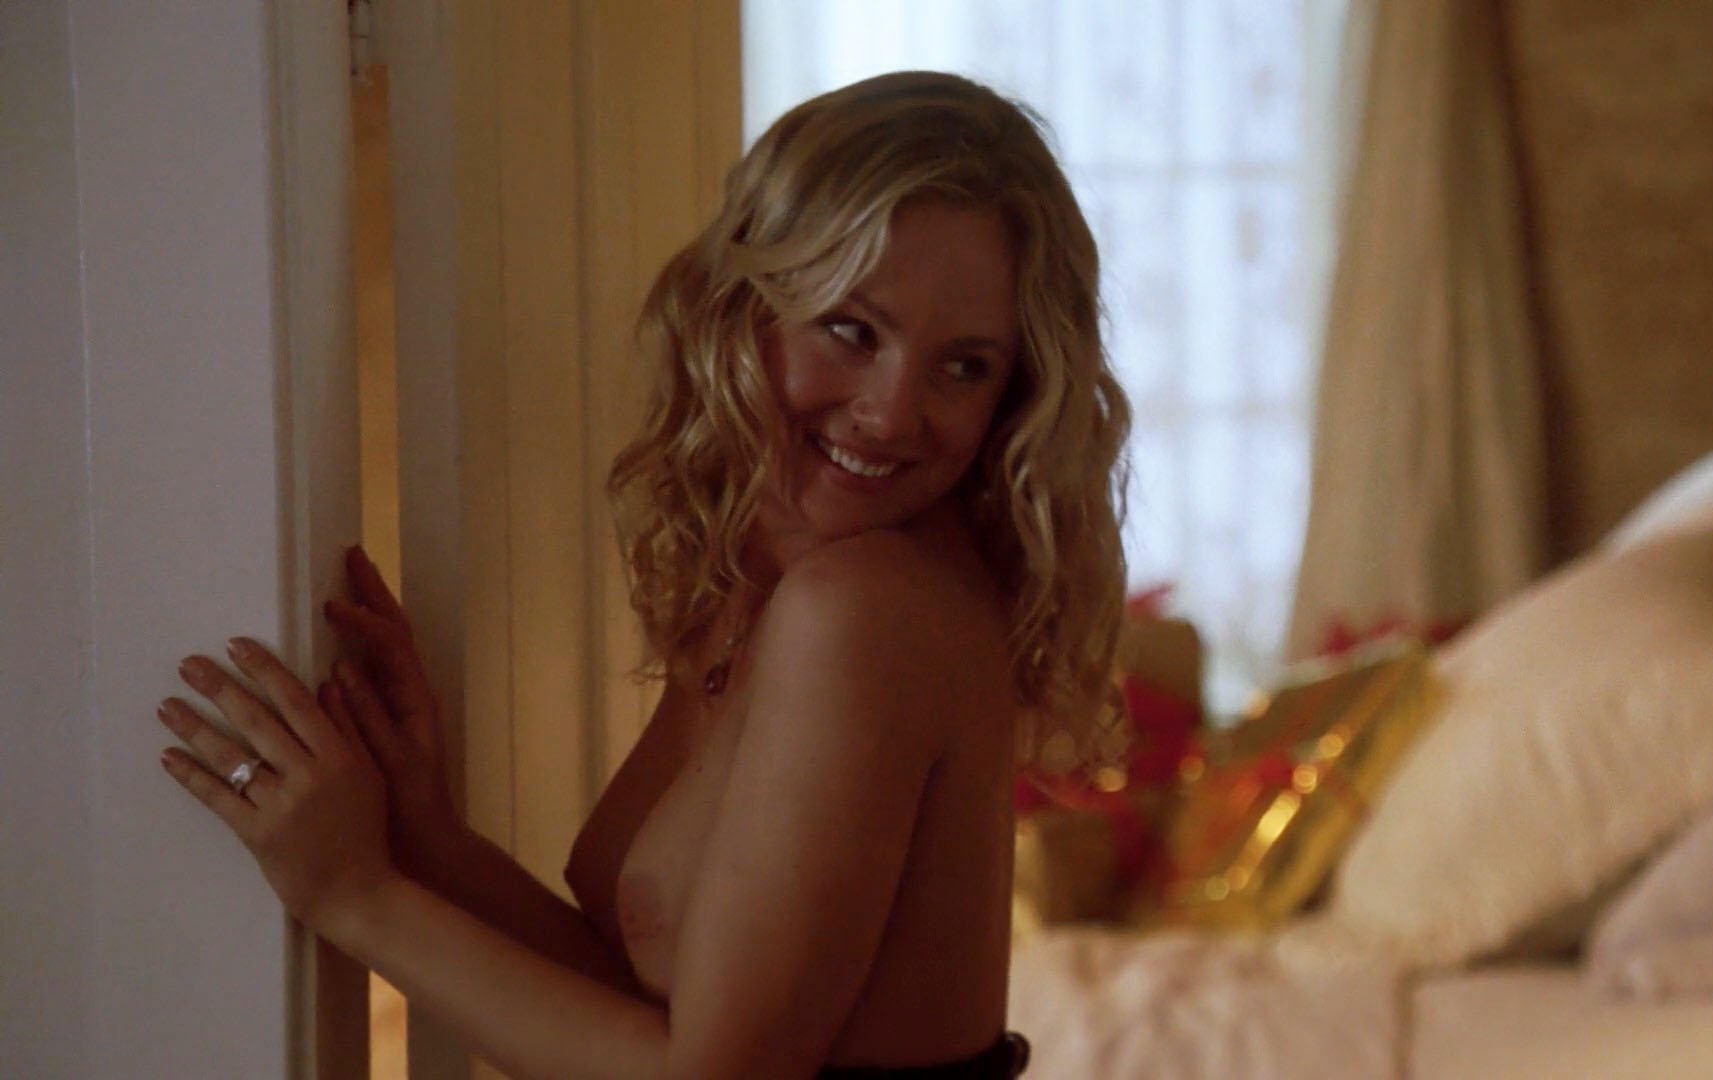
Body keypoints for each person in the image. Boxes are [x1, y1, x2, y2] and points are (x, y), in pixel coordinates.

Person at [154, 70, 1131, 1078]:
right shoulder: (779, 574)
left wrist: (353, 896)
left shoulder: (867, 608)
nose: (889, 412)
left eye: (963, 366)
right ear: (745, 307)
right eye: (853, 330)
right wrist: (424, 836)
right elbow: (652, 1011)